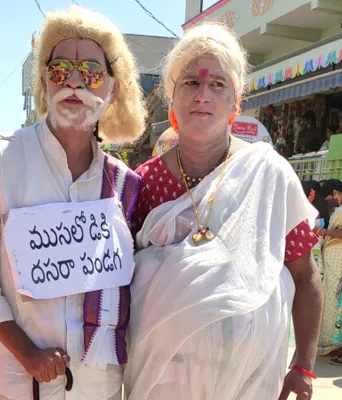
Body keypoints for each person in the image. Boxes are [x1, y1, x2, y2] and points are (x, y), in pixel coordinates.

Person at [0, 6, 146, 399]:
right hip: (18, 384)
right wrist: (27, 355)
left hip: (98, 385)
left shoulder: (124, 185)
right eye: (60, 70)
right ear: (44, 80)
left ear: (112, 88)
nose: (74, 82)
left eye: (91, 73)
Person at [124, 23, 323, 400]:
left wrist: (303, 366)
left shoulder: (270, 175)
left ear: (236, 101)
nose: (203, 95)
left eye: (218, 84)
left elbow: (306, 277)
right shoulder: (142, 184)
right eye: (190, 83)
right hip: (160, 381)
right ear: (173, 96)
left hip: (249, 383)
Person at [314, 179, 342, 365]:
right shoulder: (337, 211)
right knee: (333, 303)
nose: (329, 201)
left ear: (335, 192)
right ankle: (335, 346)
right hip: (333, 268)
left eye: (329, 197)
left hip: (339, 267)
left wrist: (324, 232)